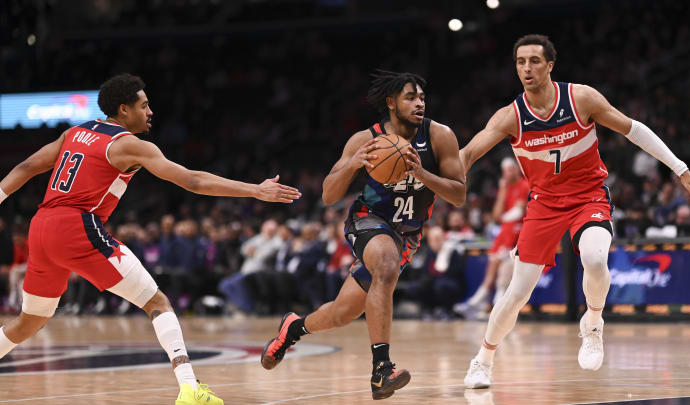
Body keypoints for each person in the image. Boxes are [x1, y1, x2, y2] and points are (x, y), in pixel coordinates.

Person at [0, 73, 301, 405]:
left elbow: (27, 166)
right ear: (124, 109)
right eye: (144, 105)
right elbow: (193, 181)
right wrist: (254, 190)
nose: (150, 111)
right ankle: (190, 389)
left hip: (40, 227)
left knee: (30, 321)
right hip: (76, 226)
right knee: (157, 303)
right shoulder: (129, 144)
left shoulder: (75, 132)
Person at [458, 35, 690, 389]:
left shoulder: (581, 98)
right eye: (520, 62)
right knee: (517, 292)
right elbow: (468, 154)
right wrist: (433, 174)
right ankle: (483, 359)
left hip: (587, 196)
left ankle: (593, 323)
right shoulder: (510, 117)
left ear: (550, 65)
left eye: (534, 60)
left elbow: (633, 129)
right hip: (544, 204)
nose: (527, 68)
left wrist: (680, 168)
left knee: (595, 258)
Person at [260, 70, 466, 400]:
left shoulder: (440, 136)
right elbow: (328, 194)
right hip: (367, 220)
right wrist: (353, 164)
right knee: (385, 264)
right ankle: (382, 370)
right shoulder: (364, 139)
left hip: (407, 234)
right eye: (410, 97)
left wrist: (422, 173)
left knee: (343, 313)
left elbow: (458, 195)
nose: (419, 103)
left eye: (422, 97)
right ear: (391, 103)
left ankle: (293, 329)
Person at [454, 157, 529, 319]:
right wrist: (502, 190)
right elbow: (496, 216)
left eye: (511, 169)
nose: (509, 173)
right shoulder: (505, 187)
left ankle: (484, 300)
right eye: (506, 171)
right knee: (497, 265)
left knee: (502, 269)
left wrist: (502, 218)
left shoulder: (524, 185)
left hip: (520, 234)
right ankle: (488, 301)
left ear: (516, 169)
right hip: (506, 236)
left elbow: (516, 213)